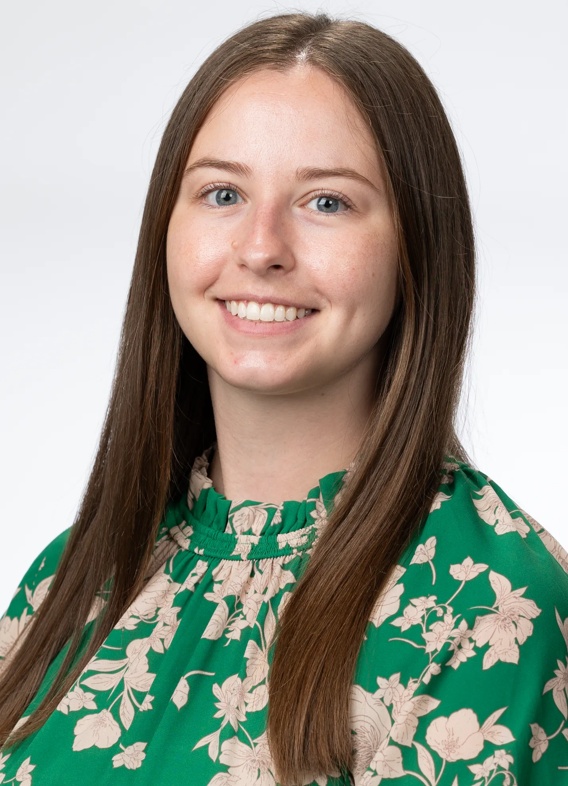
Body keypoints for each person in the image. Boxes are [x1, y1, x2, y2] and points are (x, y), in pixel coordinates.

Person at [0, 11, 566, 786]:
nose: (261, 247)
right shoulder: (70, 581)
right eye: (222, 192)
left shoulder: (492, 608)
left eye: (327, 202)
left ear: (417, 250)